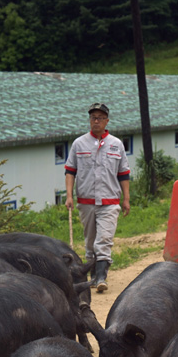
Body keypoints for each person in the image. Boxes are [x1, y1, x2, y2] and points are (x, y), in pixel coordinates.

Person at [65, 102, 131, 293]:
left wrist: (126, 198)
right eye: (93, 117)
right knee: (90, 242)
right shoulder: (79, 144)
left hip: (110, 202)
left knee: (103, 240)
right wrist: (69, 196)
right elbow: (70, 171)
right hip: (86, 202)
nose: (96, 121)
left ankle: (101, 277)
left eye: (100, 118)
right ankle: (92, 276)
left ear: (106, 121)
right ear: (90, 120)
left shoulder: (116, 144)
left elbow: (124, 174)